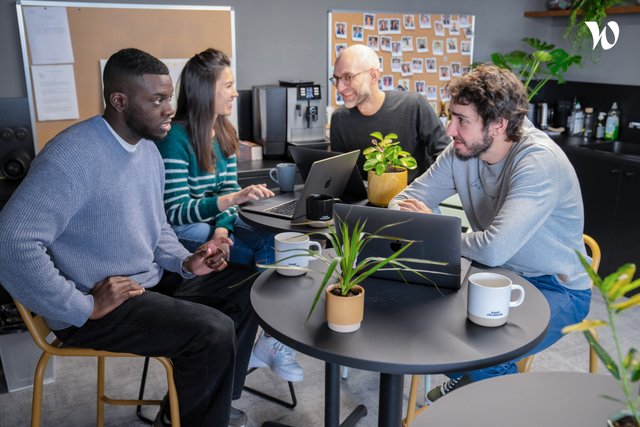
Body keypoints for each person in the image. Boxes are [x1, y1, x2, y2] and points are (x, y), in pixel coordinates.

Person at [0, 48, 259, 427]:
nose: (169, 108)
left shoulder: (147, 152)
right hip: (96, 305)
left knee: (248, 285)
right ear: (119, 101)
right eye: (157, 100)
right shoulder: (71, 156)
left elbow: (157, 230)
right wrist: (81, 305)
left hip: (143, 284)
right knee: (212, 331)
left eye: (169, 97)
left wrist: (186, 262)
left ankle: (196, 412)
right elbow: (10, 242)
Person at [389, 64, 592, 402]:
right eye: (450, 116)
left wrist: (433, 229)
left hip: (556, 286)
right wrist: (424, 221)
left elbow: (494, 248)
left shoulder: (537, 161)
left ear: (498, 124)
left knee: (487, 349)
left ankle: (486, 399)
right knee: (425, 320)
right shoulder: (461, 150)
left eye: (461, 120)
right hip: (498, 274)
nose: (450, 129)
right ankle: (468, 380)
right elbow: (404, 200)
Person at [155, 48, 303, 383]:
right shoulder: (175, 140)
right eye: (229, 85)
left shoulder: (224, 133)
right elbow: (175, 214)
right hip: (183, 232)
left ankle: (269, 341)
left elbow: (230, 203)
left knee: (276, 242)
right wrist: (229, 201)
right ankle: (260, 342)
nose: (236, 92)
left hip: (214, 226)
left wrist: (222, 229)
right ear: (205, 90)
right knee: (257, 257)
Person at [329, 44, 450, 182]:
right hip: (361, 201)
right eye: (336, 79)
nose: (339, 88)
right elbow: (340, 174)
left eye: (347, 77)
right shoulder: (340, 118)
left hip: (412, 200)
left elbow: (444, 155)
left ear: (373, 76)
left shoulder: (413, 106)